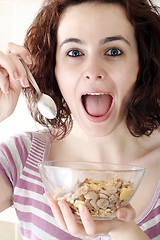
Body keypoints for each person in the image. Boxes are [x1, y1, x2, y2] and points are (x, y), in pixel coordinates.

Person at [0, 0, 160, 239]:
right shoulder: (20, 157)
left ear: (143, 63)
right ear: (53, 67)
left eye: (114, 51)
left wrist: (124, 230)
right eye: (74, 52)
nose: (93, 69)